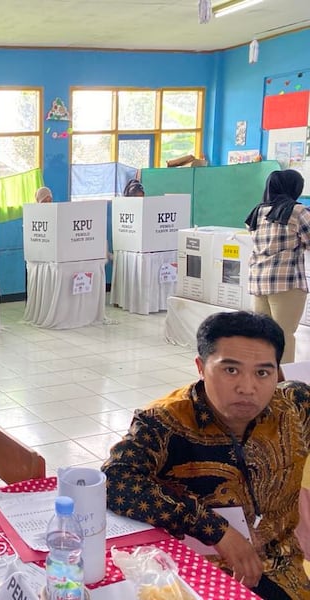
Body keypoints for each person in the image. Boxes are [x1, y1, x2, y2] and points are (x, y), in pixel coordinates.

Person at [102, 311, 310, 599]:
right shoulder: (164, 421)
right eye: (231, 370)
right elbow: (113, 480)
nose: (247, 388)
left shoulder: (296, 407)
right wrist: (216, 531)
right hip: (194, 572)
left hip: (282, 567)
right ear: (201, 367)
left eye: (263, 372)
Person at [245, 169, 310, 364]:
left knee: (263, 337)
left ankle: (262, 380)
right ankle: (283, 386)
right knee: (284, 336)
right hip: (286, 282)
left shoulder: (257, 211)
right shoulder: (297, 211)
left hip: (258, 281)